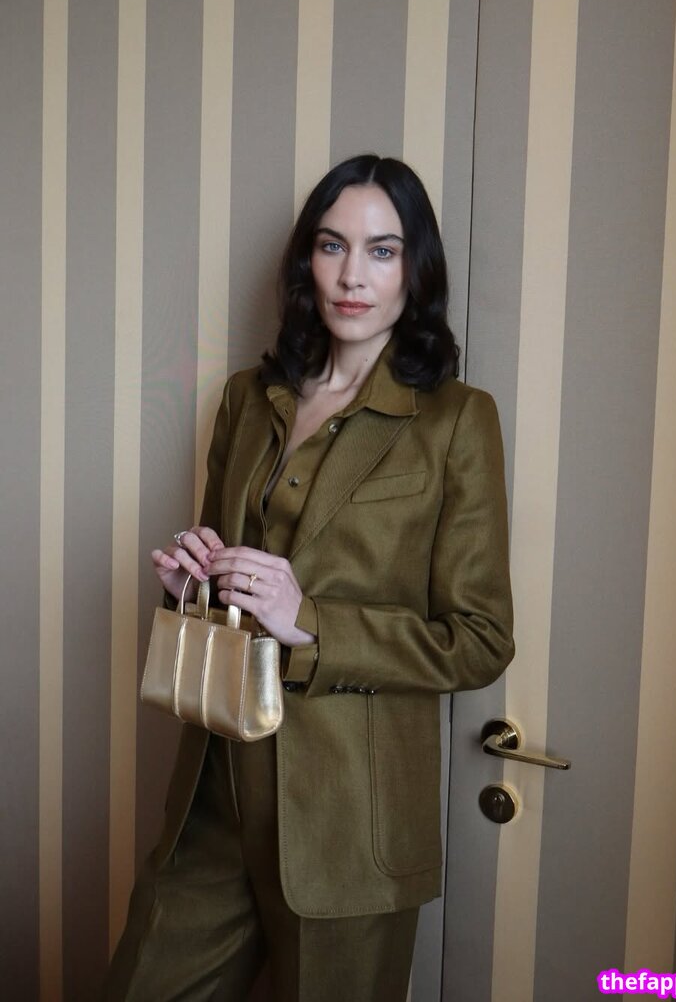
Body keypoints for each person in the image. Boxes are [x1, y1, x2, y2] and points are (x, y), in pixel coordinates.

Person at [105, 155, 514, 1001]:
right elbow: (230, 583)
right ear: (307, 262)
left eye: (381, 250)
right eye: (333, 246)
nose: (352, 275)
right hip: (216, 796)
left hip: (350, 824)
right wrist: (193, 582)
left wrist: (312, 621)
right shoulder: (248, 399)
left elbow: (479, 642)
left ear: (416, 270)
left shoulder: (456, 420)